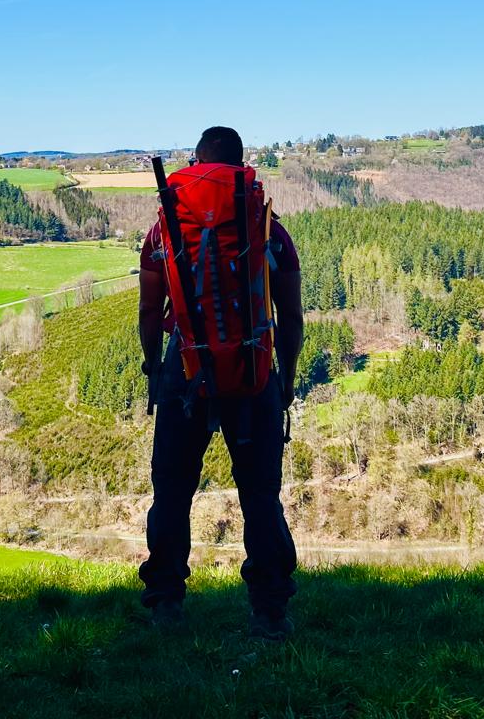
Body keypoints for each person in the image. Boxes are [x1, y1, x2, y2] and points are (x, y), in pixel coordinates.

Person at [137, 125, 304, 640]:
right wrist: (286, 381)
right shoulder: (268, 232)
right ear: (239, 166)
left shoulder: (166, 229)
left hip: (182, 372)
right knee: (259, 495)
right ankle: (270, 613)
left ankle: (165, 603)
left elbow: (148, 309)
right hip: (254, 376)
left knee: (171, 490)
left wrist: (152, 367)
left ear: (197, 163)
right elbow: (290, 316)